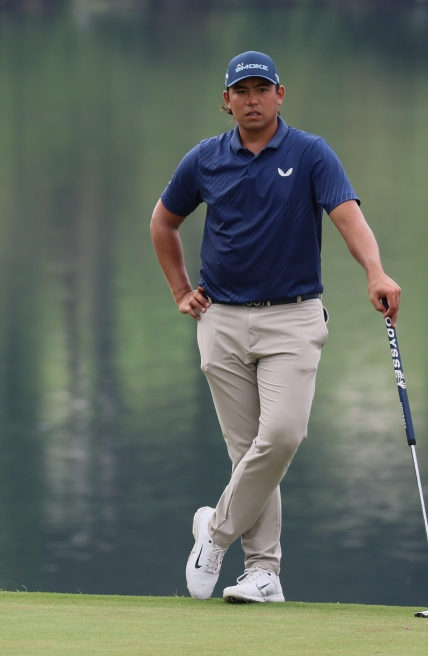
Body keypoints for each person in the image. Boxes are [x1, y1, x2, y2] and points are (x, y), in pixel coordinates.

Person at [149, 51, 401, 603]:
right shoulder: (205, 158)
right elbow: (163, 222)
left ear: (280, 95)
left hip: (292, 317)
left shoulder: (310, 153)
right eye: (241, 91)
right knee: (248, 453)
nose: (252, 99)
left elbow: (347, 215)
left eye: (262, 89)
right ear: (226, 101)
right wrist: (180, 290)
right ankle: (263, 573)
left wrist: (375, 271)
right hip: (220, 320)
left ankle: (214, 533)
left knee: (282, 436)